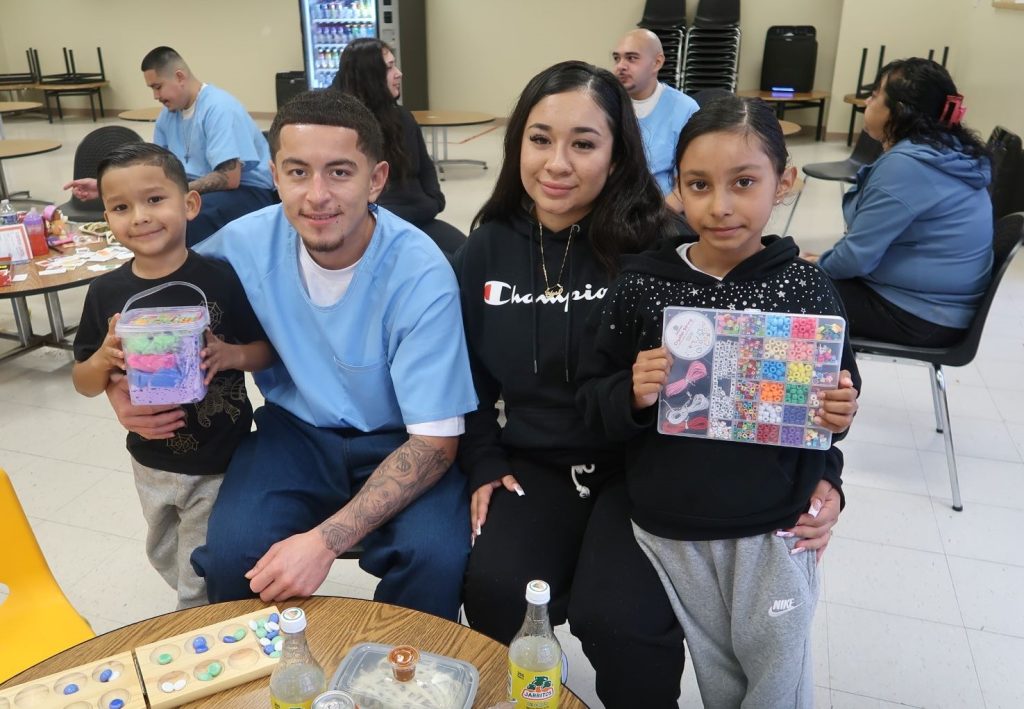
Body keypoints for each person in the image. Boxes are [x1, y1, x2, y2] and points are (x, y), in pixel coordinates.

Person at [453, 62, 856, 709]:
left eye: (584, 142)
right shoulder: (486, 248)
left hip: (643, 472)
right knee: (496, 585)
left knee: (620, 619)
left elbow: (778, 377)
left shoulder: (667, 250)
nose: (557, 162)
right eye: (539, 138)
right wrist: (483, 460)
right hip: (534, 463)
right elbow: (465, 376)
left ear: (618, 155)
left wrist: (826, 472)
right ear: (515, 144)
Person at [104, 90, 478, 620]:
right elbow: (163, 288)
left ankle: (403, 677)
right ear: (275, 175)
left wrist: (323, 542)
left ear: (376, 179)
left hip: (403, 440)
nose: (316, 195)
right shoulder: (248, 241)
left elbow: (437, 445)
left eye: (341, 172)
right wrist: (116, 386)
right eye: (298, 172)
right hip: (294, 433)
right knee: (232, 555)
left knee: (435, 557)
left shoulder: (421, 273)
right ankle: (264, 678)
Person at [577, 94, 862, 708]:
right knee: (716, 674)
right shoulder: (642, 284)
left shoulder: (808, 289)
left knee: (773, 685)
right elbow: (593, 399)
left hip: (773, 530)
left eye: (744, 182)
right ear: (675, 188)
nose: (721, 206)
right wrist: (629, 391)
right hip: (666, 525)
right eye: (699, 185)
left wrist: (840, 417)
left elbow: (835, 404)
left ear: (782, 183)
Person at [72, 143, 273, 609]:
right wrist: (103, 357)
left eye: (154, 199)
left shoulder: (221, 279)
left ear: (190, 204)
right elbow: (83, 380)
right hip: (150, 459)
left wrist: (228, 355)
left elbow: (265, 352)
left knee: (198, 571)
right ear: (106, 217)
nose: (139, 216)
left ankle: (199, 628)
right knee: (163, 551)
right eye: (121, 207)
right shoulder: (106, 292)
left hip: (221, 455)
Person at [807, 58, 992, 347]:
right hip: (941, 308)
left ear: (900, 111)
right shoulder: (948, 151)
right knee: (800, 273)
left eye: (874, 95)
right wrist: (823, 263)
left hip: (919, 315)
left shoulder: (907, 166)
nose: (867, 103)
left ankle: (807, 387)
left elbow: (856, 257)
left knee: (786, 287)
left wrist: (817, 266)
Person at [64, 46, 277, 247]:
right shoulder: (168, 115)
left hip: (249, 192)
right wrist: (106, 187)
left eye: (158, 87)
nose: (156, 96)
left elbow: (229, 178)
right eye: (152, 89)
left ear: (180, 77)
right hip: (192, 190)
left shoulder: (220, 108)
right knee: (152, 215)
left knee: (181, 218)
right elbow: (153, 170)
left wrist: (174, 192)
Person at [331, 38, 466, 255]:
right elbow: (362, 207)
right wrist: (421, 208)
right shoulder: (343, 129)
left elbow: (425, 168)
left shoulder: (402, 117)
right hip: (377, 231)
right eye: (389, 67)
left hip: (420, 219)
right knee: (443, 268)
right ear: (369, 76)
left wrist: (433, 201)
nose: (399, 73)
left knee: (470, 258)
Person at [612, 28, 699, 212]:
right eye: (617, 58)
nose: (621, 66)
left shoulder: (684, 109)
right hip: (609, 213)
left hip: (660, 216)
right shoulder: (607, 105)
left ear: (657, 63)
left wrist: (657, 220)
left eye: (631, 58)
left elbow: (689, 184)